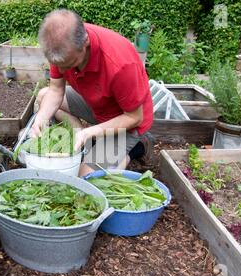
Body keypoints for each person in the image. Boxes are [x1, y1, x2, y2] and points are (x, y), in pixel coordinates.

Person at [31, 9, 154, 176]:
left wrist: (89, 132)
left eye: (68, 64)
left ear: (85, 43)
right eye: (57, 64)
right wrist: (41, 118)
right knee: (43, 97)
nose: (60, 70)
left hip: (126, 122)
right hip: (96, 104)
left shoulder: (120, 64)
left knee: (83, 177)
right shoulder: (60, 45)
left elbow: (134, 117)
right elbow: (55, 90)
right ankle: (90, 144)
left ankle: (131, 151)